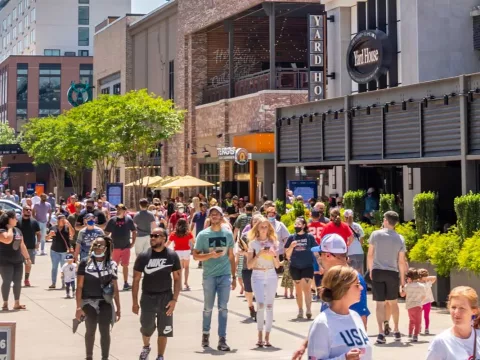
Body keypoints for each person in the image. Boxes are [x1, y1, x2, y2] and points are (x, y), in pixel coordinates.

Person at [132, 227, 182, 360]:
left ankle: (160, 356)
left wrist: (174, 300)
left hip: (166, 297)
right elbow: (136, 280)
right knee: (147, 328)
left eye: (156, 236)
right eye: (151, 235)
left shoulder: (172, 255)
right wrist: (135, 303)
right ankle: (146, 346)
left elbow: (177, 279)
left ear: (164, 239)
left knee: (164, 329)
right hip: (147, 297)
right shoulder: (143, 256)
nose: (152, 238)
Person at [193, 206, 236, 351]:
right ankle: (205, 334)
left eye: (217, 214)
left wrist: (234, 276)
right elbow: (196, 255)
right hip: (209, 275)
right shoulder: (203, 235)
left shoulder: (228, 234)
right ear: (209, 217)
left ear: (221, 216)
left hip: (224, 275)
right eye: (212, 214)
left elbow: (231, 256)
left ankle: (222, 339)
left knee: (223, 308)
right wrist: (210, 255)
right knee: (208, 308)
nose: (215, 216)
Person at [307, 265, 372, 360]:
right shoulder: (322, 323)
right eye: (357, 285)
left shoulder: (355, 316)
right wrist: (344, 358)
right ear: (343, 289)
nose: (361, 288)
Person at [75, 236, 121, 360]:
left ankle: (105, 357)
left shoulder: (111, 264)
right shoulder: (85, 263)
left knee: (105, 330)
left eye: (101, 245)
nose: (98, 247)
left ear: (106, 248)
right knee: (90, 329)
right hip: (88, 301)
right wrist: (78, 307)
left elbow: (115, 288)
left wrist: (118, 308)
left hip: (105, 301)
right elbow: (79, 287)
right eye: (95, 244)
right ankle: (89, 357)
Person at [367, 211, 406, 344]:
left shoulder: (375, 234)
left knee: (380, 304)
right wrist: (402, 281)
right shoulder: (400, 238)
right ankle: (396, 330)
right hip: (392, 272)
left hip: (378, 270)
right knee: (393, 303)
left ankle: (381, 333)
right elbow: (401, 261)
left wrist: (370, 270)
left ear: (386, 221)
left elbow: (370, 254)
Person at [246, 215, 280, 347]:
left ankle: (267, 337)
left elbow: (277, 265)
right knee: (260, 305)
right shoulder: (252, 243)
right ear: (257, 228)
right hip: (257, 274)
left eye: (266, 226)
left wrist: (274, 255)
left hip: (271, 273)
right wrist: (258, 254)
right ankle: (259, 335)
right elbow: (249, 265)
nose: (264, 229)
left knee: (270, 306)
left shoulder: (273, 242)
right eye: (262, 226)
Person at [426, 286, 480, 360]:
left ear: (474, 311)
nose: (456, 312)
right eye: (453, 307)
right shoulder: (441, 342)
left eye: (462, 308)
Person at [285, 217, 317, 319]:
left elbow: (316, 252)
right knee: (298, 289)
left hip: (307, 265)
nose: (296, 226)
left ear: (303, 225)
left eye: (299, 224)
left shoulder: (309, 237)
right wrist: (291, 247)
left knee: (307, 289)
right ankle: (300, 310)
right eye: (295, 224)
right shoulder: (291, 238)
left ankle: (308, 310)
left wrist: (320, 265)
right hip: (295, 266)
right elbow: (287, 254)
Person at [0, 210, 31, 311]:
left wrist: (27, 258)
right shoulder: (2, 230)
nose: (16, 219)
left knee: (18, 281)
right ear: (9, 220)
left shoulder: (18, 230)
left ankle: (17, 303)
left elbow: (22, 245)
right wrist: (9, 228)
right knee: (7, 281)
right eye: (14, 218)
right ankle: (5, 303)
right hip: (5, 261)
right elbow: (7, 239)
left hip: (18, 261)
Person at [105, 203, 137, 291]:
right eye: (117, 209)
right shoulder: (112, 220)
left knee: (125, 265)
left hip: (126, 247)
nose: (118, 211)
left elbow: (134, 231)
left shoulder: (129, 220)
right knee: (114, 266)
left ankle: (126, 283)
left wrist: (133, 242)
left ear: (124, 210)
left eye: (119, 209)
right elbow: (106, 233)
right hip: (115, 247)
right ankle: (112, 283)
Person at [46, 214, 75, 289]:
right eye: (61, 219)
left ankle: (63, 284)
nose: (63, 221)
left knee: (64, 268)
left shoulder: (67, 228)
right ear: (58, 220)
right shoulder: (53, 227)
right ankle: (53, 283)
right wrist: (49, 235)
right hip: (54, 250)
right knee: (54, 267)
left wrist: (70, 226)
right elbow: (46, 238)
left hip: (64, 251)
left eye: (64, 219)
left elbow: (72, 234)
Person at [166, 218, 194, 290]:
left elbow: (168, 243)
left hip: (177, 252)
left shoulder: (174, 233)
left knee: (179, 269)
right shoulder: (188, 233)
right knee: (187, 267)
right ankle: (186, 283)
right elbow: (194, 242)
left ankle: (180, 285)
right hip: (186, 251)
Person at [399, 268, 426, 342]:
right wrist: (420, 301)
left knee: (411, 320)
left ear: (410, 278)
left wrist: (401, 288)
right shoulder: (422, 286)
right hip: (418, 306)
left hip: (409, 306)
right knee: (418, 321)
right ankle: (415, 335)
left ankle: (410, 333)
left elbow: (402, 295)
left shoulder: (407, 286)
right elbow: (424, 296)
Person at [17, 205, 40, 287]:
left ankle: (26, 279)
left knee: (28, 264)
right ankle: (17, 280)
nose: (29, 211)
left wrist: (38, 243)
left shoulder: (34, 222)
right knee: (18, 264)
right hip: (19, 247)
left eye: (30, 209)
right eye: (27, 209)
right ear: (23, 211)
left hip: (30, 246)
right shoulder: (18, 221)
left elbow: (38, 233)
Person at [344, 209, 365, 275]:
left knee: (349, 274)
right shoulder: (358, 226)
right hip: (359, 252)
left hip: (349, 253)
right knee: (359, 273)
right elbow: (362, 238)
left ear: (345, 217)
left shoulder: (344, 226)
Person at [418, 268, 437, 335]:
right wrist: (420, 278)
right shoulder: (417, 284)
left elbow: (434, 277)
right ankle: (419, 327)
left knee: (426, 316)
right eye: (423, 276)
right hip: (419, 302)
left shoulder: (428, 283)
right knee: (418, 316)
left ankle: (426, 328)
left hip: (427, 301)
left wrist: (426, 278)